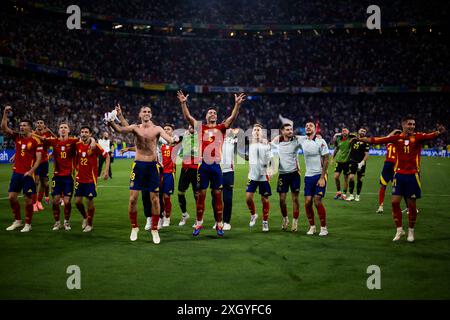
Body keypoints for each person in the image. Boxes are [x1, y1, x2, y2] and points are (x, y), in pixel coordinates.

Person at [359, 116, 446, 242]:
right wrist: (361, 139)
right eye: (409, 124)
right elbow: (378, 140)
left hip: (412, 175)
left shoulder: (418, 137)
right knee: (394, 203)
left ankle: (411, 231)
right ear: (403, 125)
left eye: (413, 124)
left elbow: (431, 135)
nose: (412, 126)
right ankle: (399, 230)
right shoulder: (396, 138)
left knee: (411, 205)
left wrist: (439, 132)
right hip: (399, 175)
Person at [177, 90, 245, 237]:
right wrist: (183, 103)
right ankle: (198, 223)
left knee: (217, 195)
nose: (212, 114)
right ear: (206, 116)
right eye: (210, 112)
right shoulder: (200, 127)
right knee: (201, 195)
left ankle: (219, 224)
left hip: (215, 166)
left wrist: (237, 105)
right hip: (203, 166)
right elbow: (187, 117)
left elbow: (232, 117)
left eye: (214, 112)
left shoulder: (221, 127)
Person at [107, 105, 177, 244]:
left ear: (151, 114)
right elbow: (119, 129)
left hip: (152, 167)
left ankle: (155, 229)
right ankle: (134, 227)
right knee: (133, 199)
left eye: (149, 111)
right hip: (138, 166)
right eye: (144, 111)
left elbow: (169, 140)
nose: (146, 113)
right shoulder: (135, 127)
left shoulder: (157, 129)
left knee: (155, 200)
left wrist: (174, 139)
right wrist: (111, 121)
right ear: (140, 114)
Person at [2, 106, 43, 232]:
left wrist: (31, 172)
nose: (22, 127)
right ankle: (18, 221)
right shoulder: (17, 137)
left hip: (28, 175)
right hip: (17, 172)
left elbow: (38, 159)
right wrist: (5, 113)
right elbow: (4, 128)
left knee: (27, 199)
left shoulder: (36, 140)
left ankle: (28, 224)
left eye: (24, 125)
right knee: (11, 197)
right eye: (21, 125)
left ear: (30, 127)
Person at [74, 126, 110, 232]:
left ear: (90, 134)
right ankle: (85, 217)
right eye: (82, 132)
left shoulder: (95, 146)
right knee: (77, 202)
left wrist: (106, 171)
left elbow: (107, 156)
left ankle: (90, 224)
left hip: (91, 179)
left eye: (86, 132)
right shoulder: (77, 145)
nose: (84, 134)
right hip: (79, 177)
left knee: (89, 200)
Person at [297, 122, 330, 236]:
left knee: (317, 200)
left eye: (310, 126)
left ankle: (324, 228)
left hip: (319, 175)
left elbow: (326, 159)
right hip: (308, 176)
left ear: (315, 129)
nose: (307, 127)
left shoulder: (321, 141)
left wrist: (322, 177)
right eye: (306, 126)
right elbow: (287, 136)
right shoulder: (302, 140)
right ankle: (312, 227)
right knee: (307, 202)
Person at [271, 123, 301, 231]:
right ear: (282, 131)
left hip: (294, 174)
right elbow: (268, 146)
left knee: (295, 199)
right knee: (282, 200)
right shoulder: (277, 140)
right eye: (287, 130)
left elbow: (306, 140)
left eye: (291, 129)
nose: (290, 131)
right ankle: (285, 218)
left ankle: (295, 222)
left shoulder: (296, 140)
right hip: (283, 174)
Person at [245, 124, 273, 232]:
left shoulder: (266, 144)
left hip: (263, 176)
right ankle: (253, 215)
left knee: (265, 200)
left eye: (258, 130)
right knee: (248, 198)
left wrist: (270, 170)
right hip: (252, 176)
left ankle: (265, 222)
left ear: (262, 133)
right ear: (252, 133)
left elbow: (270, 159)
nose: (256, 131)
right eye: (255, 130)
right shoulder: (251, 144)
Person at [212, 128, 239, 231]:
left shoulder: (232, 139)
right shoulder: (214, 139)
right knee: (215, 198)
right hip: (216, 171)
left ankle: (227, 221)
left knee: (227, 199)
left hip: (228, 172)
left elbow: (243, 135)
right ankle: (217, 220)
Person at [177, 125, 200, 226]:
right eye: (190, 126)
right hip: (185, 169)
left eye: (194, 127)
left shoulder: (199, 138)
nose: (192, 128)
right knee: (180, 193)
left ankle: (198, 218)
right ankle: (184, 214)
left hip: (196, 170)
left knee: (197, 195)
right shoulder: (185, 138)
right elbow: (180, 153)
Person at [376, 129, 402, 214]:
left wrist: (394, 131)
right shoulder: (394, 143)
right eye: (395, 135)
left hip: (394, 167)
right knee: (383, 186)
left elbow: (387, 137)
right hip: (389, 166)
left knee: (398, 188)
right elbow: (387, 137)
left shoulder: (393, 143)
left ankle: (397, 208)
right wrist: (395, 131)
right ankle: (380, 206)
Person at [32, 119, 55, 211]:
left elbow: (57, 141)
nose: (39, 124)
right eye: (38, 123)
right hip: (35, 161)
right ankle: (34, 204)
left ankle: (39, 201)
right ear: (36, 124)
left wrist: (50, 131)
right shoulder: (32, 134)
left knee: (44, 182)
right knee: (36, 182)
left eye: (41, 123)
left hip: (45, 160)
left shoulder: (47, 134)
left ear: (44, 125)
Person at [346, 127, 370, 202]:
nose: (362, 132)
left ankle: (358, 195)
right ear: (358, 131)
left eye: (364, 131)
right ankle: (351, 195)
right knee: (351, 177)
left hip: (361, 162)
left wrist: (362, 163)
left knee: (359, 179)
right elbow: (348, 143)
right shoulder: (354, 139)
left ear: (365, 133)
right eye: (361, 130)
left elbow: (366, 155)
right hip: (352, 161)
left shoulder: (366, 141)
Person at [331, 128, 352, 200]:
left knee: (346, 179)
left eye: (345, 130)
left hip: (347, 162)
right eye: (342, 131)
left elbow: (356, 136)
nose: (344, 132)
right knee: (336, 177)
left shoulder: (350, 139)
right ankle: (338, 192)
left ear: (348, 132)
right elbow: (336, 148)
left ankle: (344, 194)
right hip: (339, 161)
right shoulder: (339, 139)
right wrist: (332, 158)